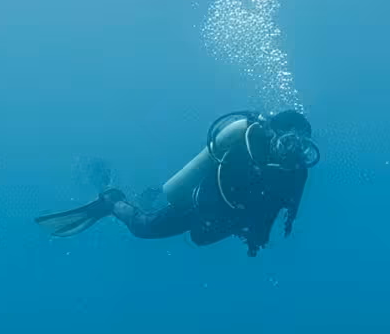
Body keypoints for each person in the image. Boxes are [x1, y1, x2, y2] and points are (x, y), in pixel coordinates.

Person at [36, 110, 317, 257]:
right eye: (289, 139)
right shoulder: (248, 142)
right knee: (143, 228)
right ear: (272, 134)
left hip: (227, 222)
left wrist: (257, 238)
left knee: (199, 240)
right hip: (198, 207)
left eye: (300, 143)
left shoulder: (296, 174)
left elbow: (282, 210)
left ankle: (146, 197)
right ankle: (111, 201)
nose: (292, 149)